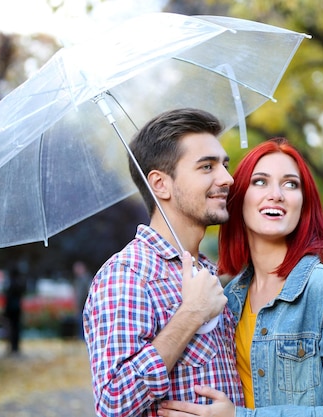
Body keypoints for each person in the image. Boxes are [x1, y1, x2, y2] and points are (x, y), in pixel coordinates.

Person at [159, 138, 323, 416]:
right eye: (260, 182)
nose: (276, 194)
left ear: (303, 204)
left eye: (290, 184)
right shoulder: (227, 301)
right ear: (238, 199)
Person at [82, 108, 244, 417]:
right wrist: (190, 314)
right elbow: (113, 403)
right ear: (160, 184)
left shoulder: (205, 271)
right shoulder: (128, 275)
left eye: (224, 165)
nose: (227, 178)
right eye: (207, 167)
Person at [3, 267, 27, 354]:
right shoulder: (19, 283)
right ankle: (15, 346)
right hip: (17, 308)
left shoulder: (11, 283)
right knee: (16, 328)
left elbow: (8, 298)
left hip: (11, 309)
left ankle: (13, 346)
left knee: (12, 328)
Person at [72, 261, 91, 340]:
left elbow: (88, 293)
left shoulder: (86, 279)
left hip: (84, 307)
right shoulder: (78, 280)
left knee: (83, 326)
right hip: (81, 307)